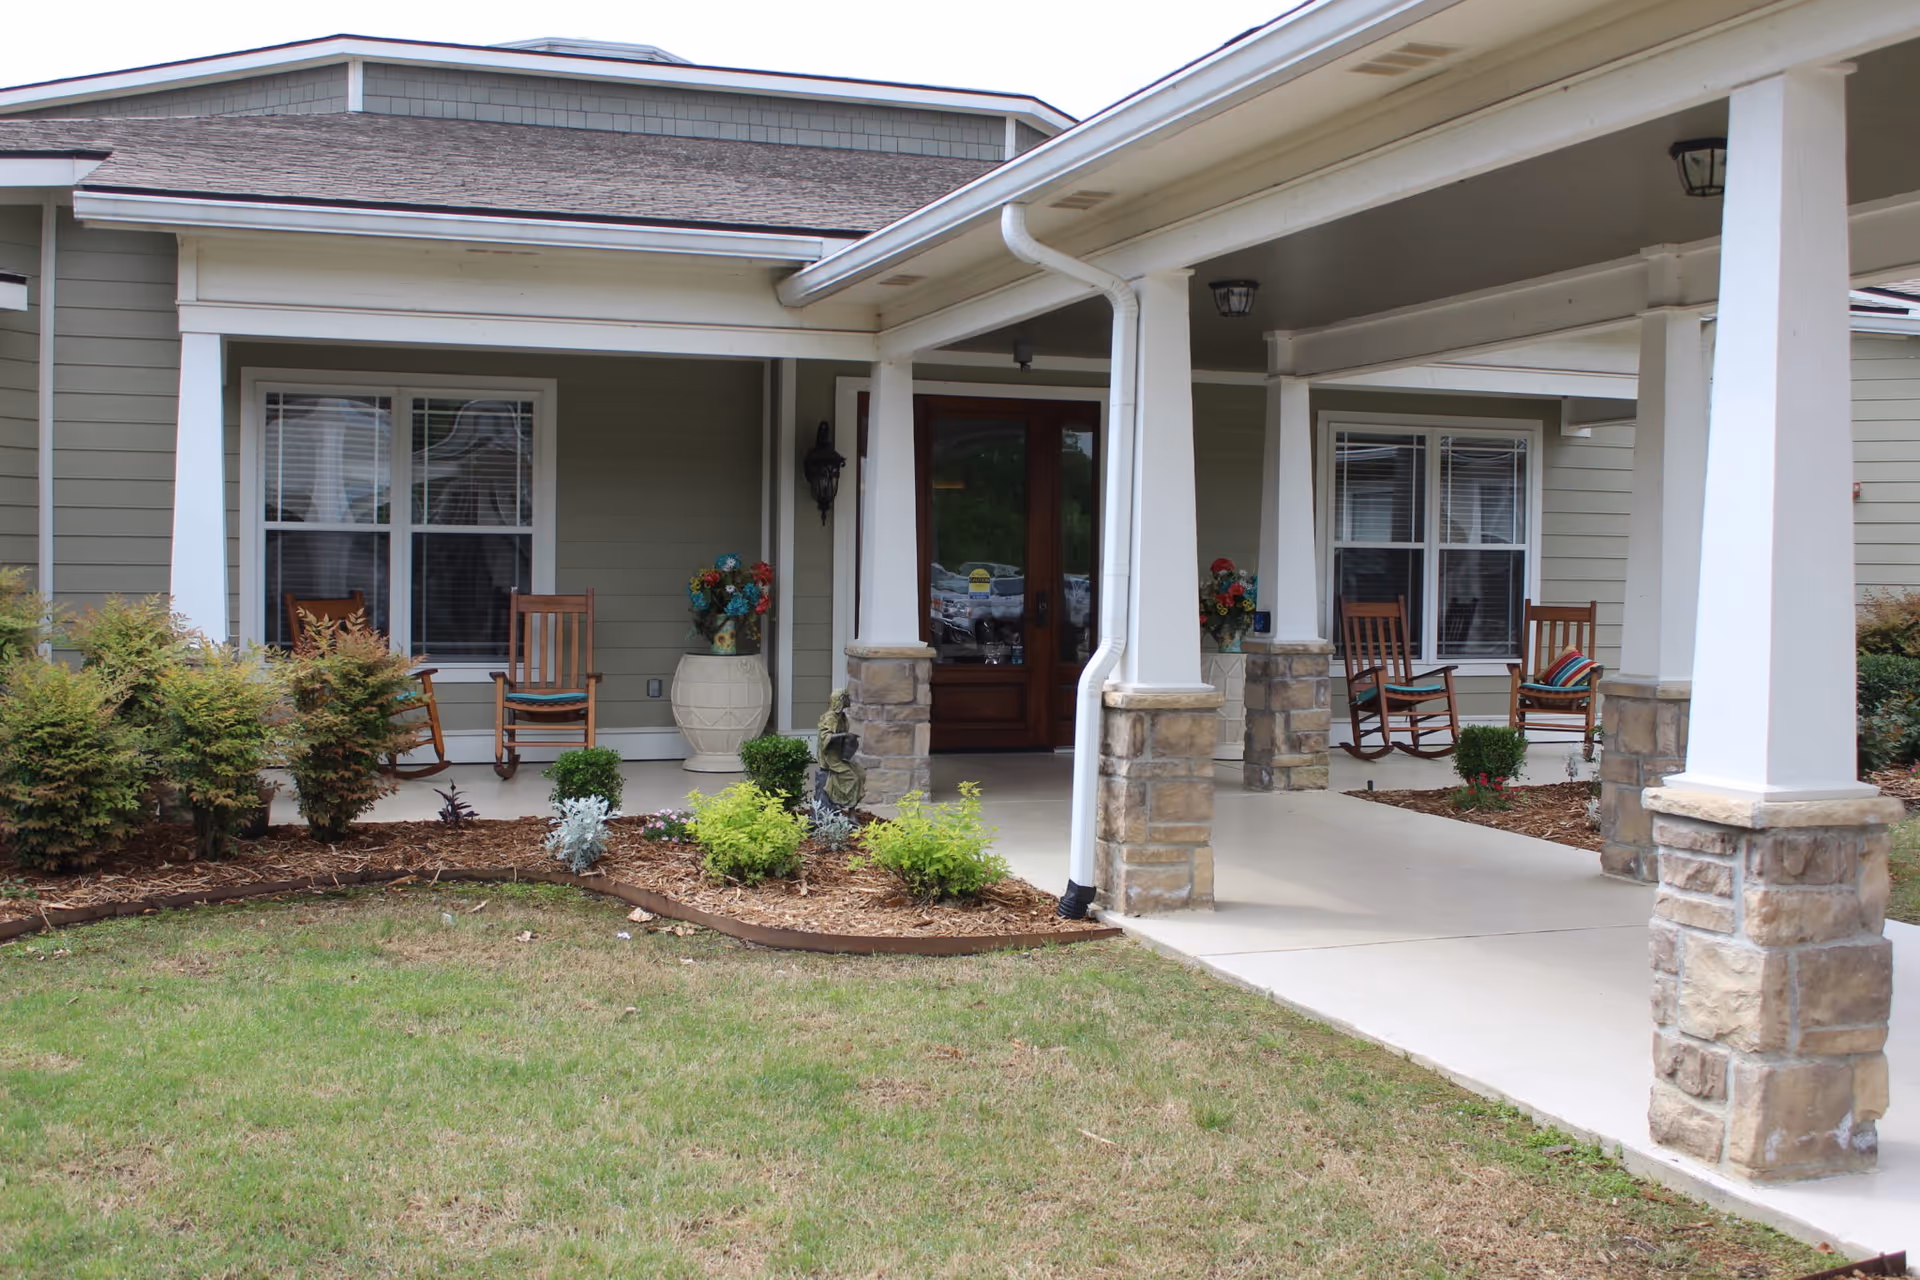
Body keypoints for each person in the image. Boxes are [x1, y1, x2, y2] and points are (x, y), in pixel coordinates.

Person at [814, 688, 866, 813]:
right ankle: (842, 804)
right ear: (841, 700)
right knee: (852, 778)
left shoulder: (842, 717)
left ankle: (851, 812)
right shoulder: (830, 717)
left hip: (839, 756)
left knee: (860, 774)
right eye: (847, 697)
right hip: (830, 759)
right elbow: (825, 737)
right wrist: (845, 735)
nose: (849, 700)